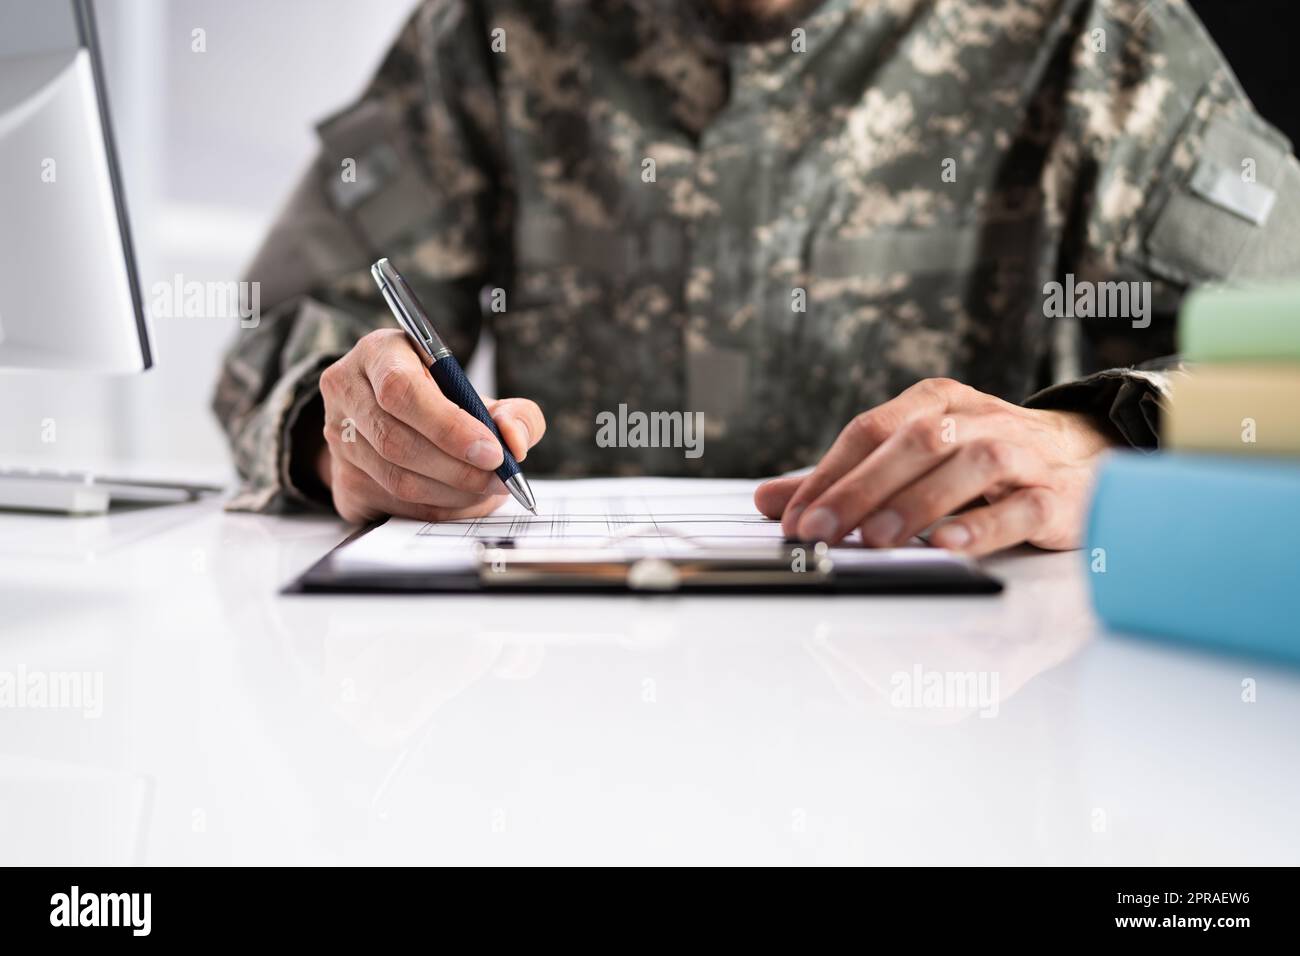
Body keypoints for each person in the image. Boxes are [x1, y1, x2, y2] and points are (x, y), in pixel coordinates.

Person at [213, 0, 1300, 555]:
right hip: (580, 696)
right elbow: (289, 330)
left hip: (993, 718)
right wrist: (344, 431)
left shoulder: (1089, 31)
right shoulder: (499, 29)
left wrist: (1100, 437)